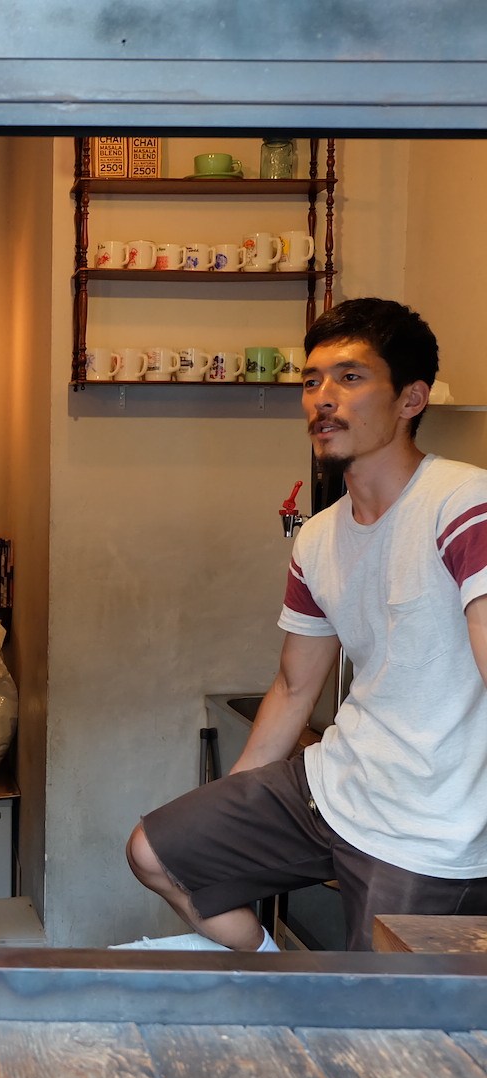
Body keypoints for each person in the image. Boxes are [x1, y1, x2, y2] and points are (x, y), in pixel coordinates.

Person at [126, 297, 487, 951]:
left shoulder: (464, 502)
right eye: (312, 380)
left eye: (350, 378)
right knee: (155, 851)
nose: (323, 398)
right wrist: (234, 808)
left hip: (429, 826)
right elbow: (295, 689)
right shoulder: (318, 537)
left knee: (381, 1033)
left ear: (411, 399)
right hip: (332, 784)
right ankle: (274, 974)